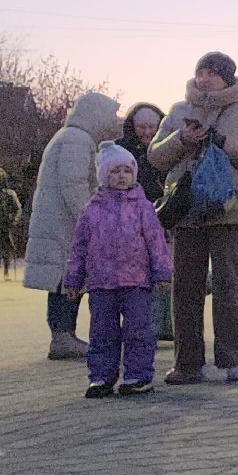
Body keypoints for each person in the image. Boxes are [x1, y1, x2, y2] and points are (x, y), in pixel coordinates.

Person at [148, 51, 238, 384]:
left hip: (231, 210)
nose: (205, 78)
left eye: (213, 73)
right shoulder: (179, 111)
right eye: (200, 72)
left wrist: (225, 143)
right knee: (185, 289)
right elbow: (156, 156)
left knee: (232, 286)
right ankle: (187, 364)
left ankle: (235, 359)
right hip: (187, 210)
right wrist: (181, 139)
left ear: (228, 78)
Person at [62, 142, 172, 397]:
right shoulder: (92, 210)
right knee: (102, 331)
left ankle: (138, 375)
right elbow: (78, 247)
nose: (122, 176)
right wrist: (73, 280)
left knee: (138, 330)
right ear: (103, 175)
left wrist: (162, 273)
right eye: (115, 171)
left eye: (126, 171)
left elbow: (156, 242)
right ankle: (101, 376)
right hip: (102, 283)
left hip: (137, 281)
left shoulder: (143, 208)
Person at [23, 92, 122, 360]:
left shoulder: (73, 137)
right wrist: (91, 218)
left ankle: (64, 335)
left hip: (60, 224)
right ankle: (63, 337)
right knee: (66, 280)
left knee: (67, 279)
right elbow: (74, 184)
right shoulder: (77, 140)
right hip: (64, 227)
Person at [119, 102, 174, 342]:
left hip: (165, 218)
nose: (147, 132)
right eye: (141, 126)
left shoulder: (168, 148)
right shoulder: (123, 151)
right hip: (133, 222)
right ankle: (148, 329)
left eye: (152, 126)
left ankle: (166, 325)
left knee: (165, 274)